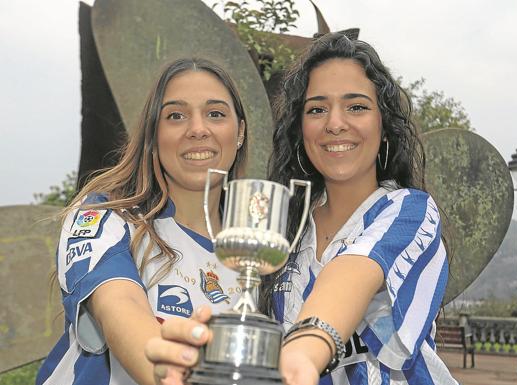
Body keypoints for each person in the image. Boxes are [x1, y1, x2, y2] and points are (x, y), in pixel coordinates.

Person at [145, 33, 458, 385]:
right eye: (317, 109)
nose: (335, 123)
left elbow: (354, 272)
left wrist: (303, 350)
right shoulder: (285, 235)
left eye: (356, 106)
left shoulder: (409, 213)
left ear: (384, 127)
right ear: (300, 128)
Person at [36, 57, 248, 385]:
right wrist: (165, 366)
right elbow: (119, 304)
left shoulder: (260, 249)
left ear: (240, 133)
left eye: (215, 114)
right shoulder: (105, 215)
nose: (198, 129)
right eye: (175, 115)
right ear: (153, 133)